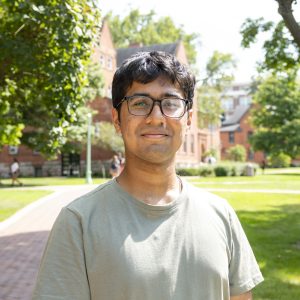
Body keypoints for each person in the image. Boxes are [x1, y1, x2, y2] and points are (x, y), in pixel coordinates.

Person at [32, 51, 263, 300]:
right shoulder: (78, 222)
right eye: (140, 103)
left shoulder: (222, 214)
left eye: (170, 103)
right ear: (117, 120)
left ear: (188, 120)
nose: (156, 118)